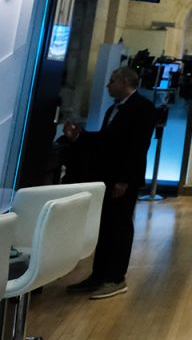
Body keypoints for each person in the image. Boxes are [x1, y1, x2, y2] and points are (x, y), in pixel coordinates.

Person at [62, 66, 158, 300]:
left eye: (112, 81)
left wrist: (124, 178)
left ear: (125, 82)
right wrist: (80, 136)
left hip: (123, 178)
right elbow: (107, 140)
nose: (108, 85)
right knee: (106, 225)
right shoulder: (115, 108)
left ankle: (116, 278)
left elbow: (137, 146)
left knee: (119, 226)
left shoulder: (142, 108)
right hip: (109, 176)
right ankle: (99, 275)